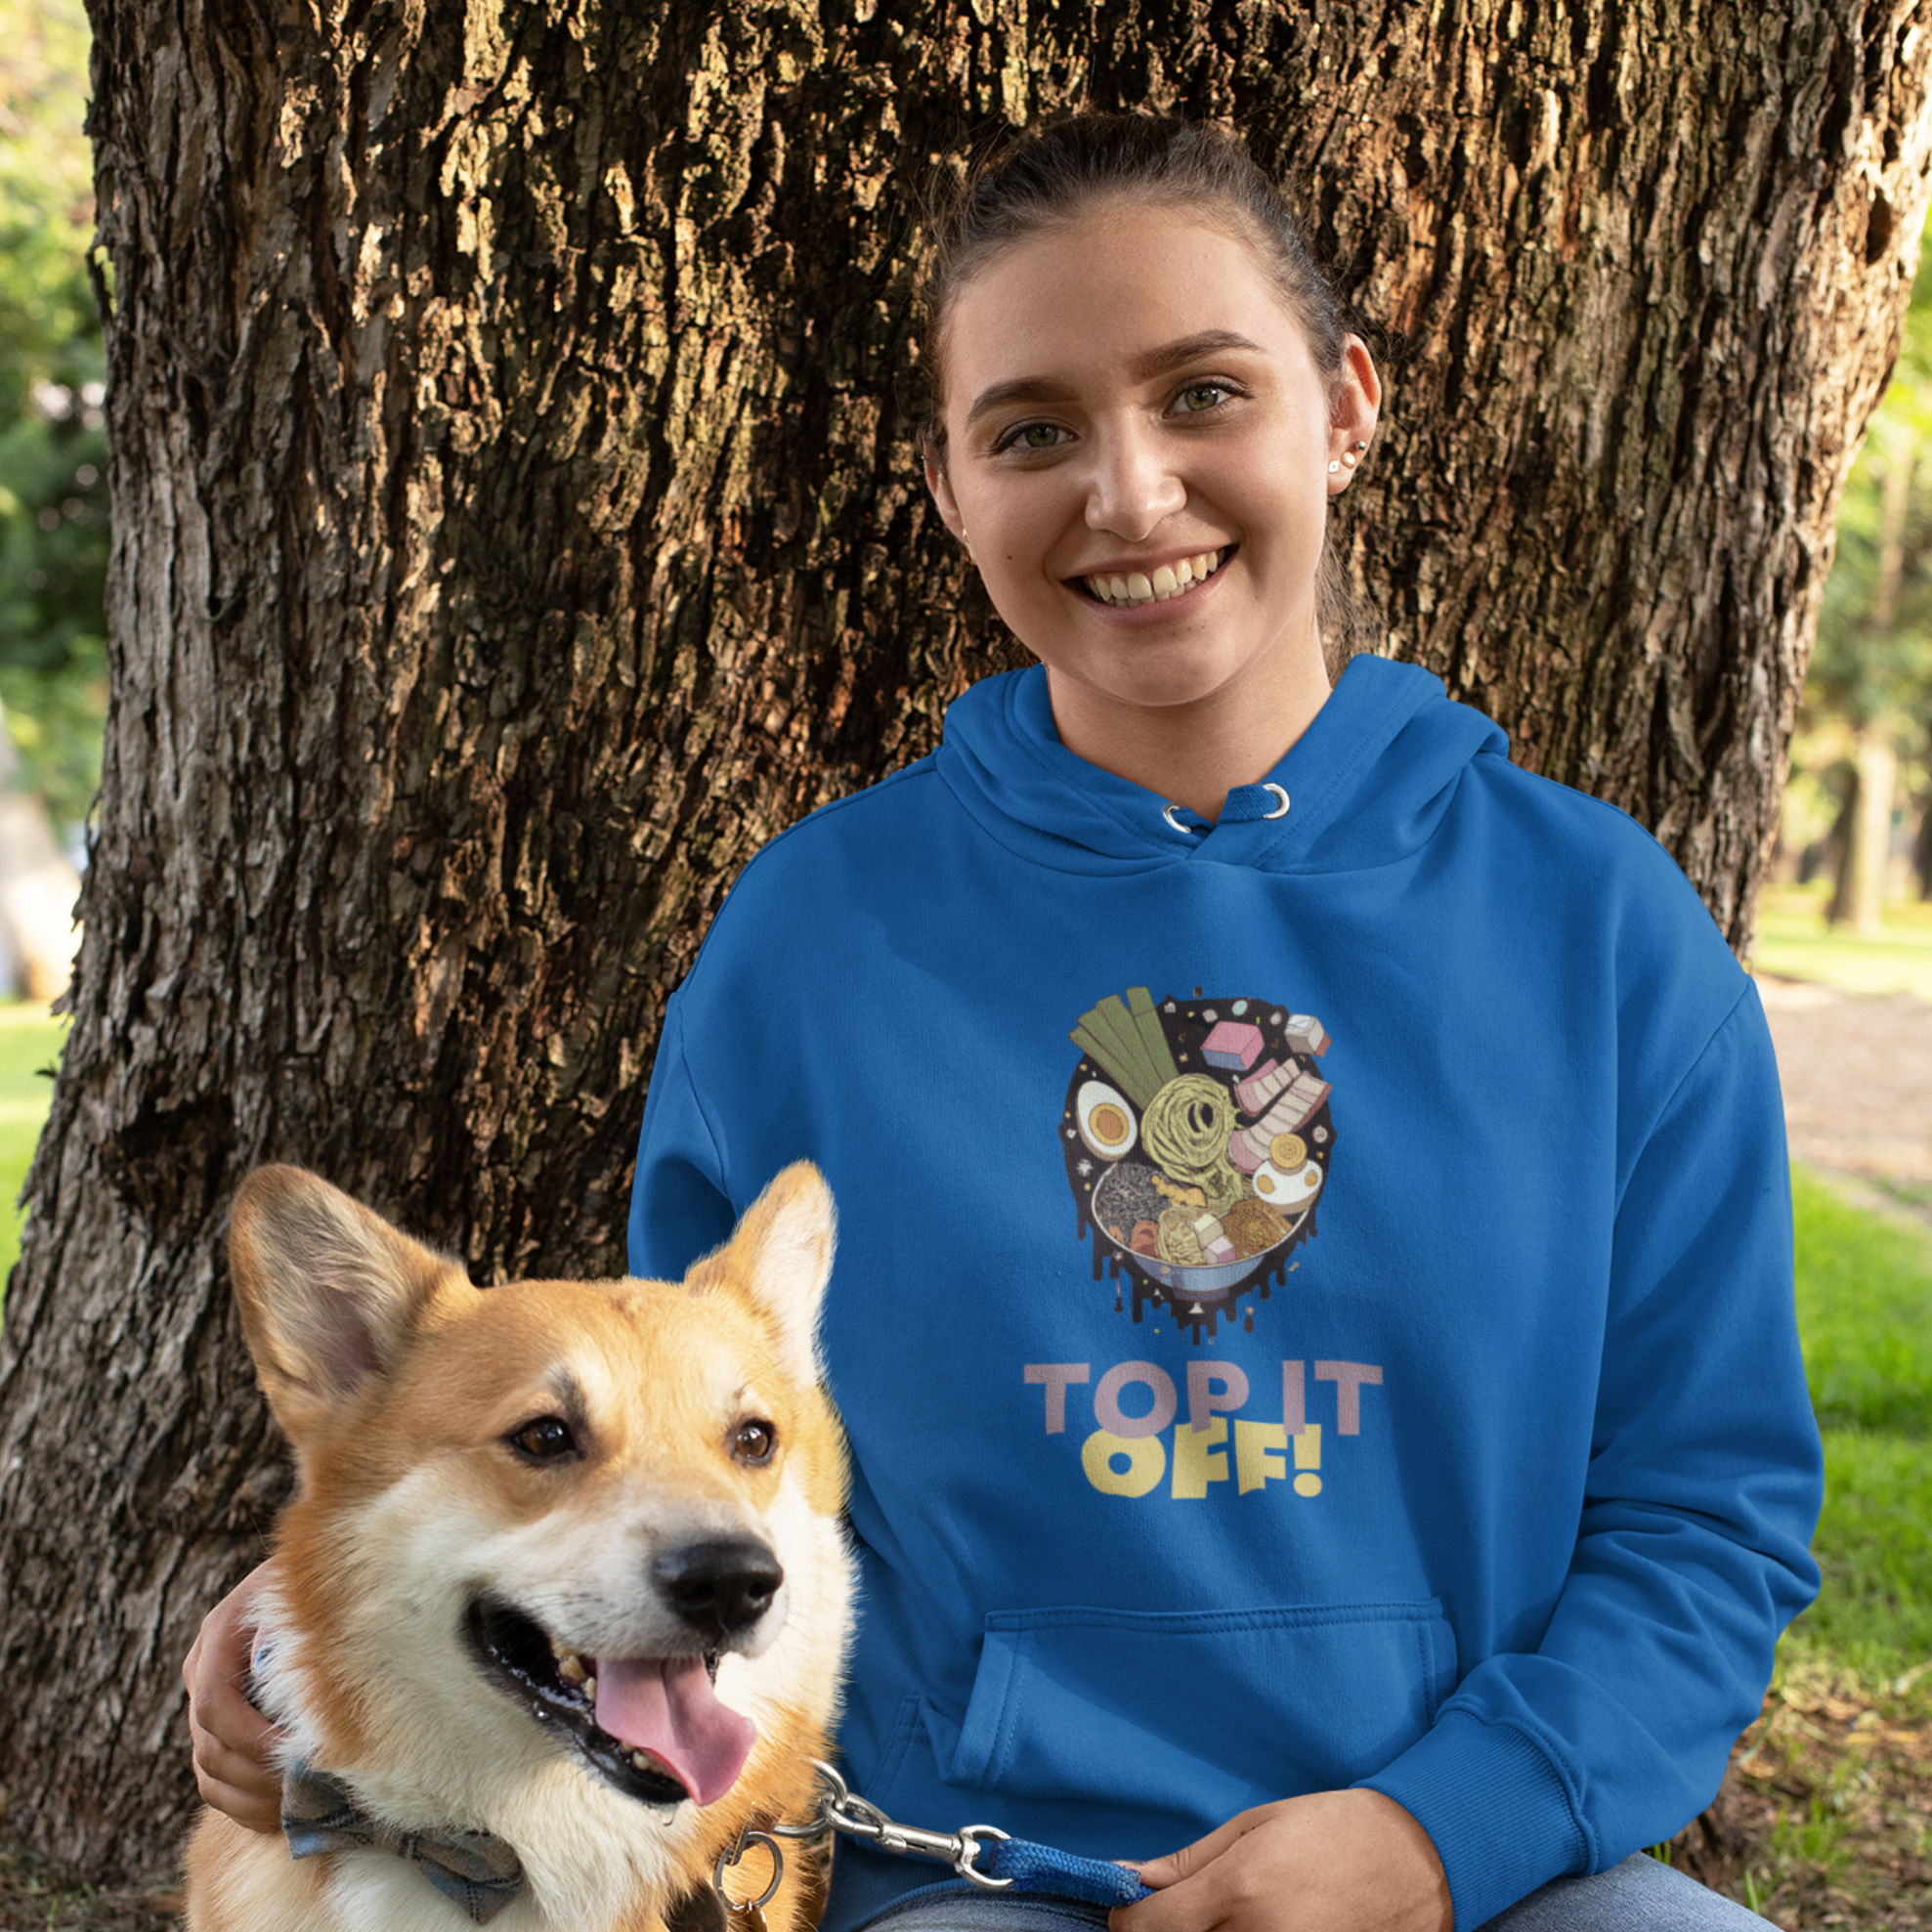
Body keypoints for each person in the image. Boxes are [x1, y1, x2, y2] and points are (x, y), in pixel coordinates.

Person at [187, 113, 1824, 1932]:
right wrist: (304, 1623)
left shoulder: (1600, 930)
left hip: (1490, 1870)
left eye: (1205, 392)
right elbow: (673, 1477)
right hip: (965, 1878)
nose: (1128, 493)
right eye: (1033, 430)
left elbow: (1707, 1512)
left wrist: (1439, 1833)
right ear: (953, 487)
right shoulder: (813, 939)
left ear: (1345, 407)